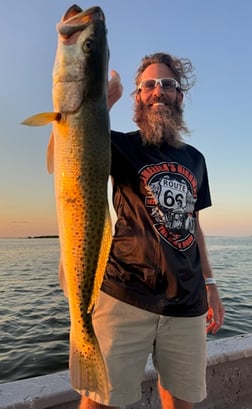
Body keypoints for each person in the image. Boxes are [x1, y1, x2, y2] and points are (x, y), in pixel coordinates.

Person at [79, 52, 225, 409]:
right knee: (100, 401)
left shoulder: (196, 159)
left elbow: (195, 225)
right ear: (138, 97)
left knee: (181, 402)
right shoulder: (119, 145)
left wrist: (211, 285)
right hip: (124, 294)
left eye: (168, 84)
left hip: (187, 304)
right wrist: (99, 102)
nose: (158, 91)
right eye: (149, 85)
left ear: (180, 96)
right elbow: (71, 145)